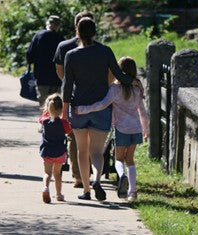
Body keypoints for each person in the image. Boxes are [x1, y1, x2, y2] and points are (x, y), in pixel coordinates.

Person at [62, 17, 133, 201]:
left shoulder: (71, 55)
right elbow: (119, 74)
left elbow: (67, 86)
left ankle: (86, 190)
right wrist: (133, 83)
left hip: (79, 109)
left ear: (77, 32)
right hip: (102, 108)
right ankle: (97, 180)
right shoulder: (105, 51)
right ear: (94, 32)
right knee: (97, 152)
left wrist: (64, 111)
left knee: (82, 151)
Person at [75, 56, 149, 202]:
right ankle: (133, 192)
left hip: (121, 129)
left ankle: (121, 176)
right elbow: (142, 111)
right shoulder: (137, 88)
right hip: (135, 129)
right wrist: (146, 129)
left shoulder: (115, 89)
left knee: (119, 159)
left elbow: (102, 105)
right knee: (131, 160)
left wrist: (84, 109)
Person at [53, 11, 94, 189]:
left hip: (71, 94)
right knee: (92, 136)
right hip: (94, 95)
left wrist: (67, 85)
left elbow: (59, 71)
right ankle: (89, 174)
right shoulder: (98, 47)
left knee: (73, 137)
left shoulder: (63, 46)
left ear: (75, 26)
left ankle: (79, 176)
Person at [26, 15, 64, 112]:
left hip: (42, 76)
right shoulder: (61, 38)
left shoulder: (38, 36)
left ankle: (45, 125)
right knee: (56, 103)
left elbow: (29, 56)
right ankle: (54, 124)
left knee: (44, 102)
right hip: (57, 77)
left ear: (48, 23)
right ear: (58, 26)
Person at [39, 94, 71, 203]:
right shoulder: (63, 123)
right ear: (61, 108)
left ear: (48, 107)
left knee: (47, 173)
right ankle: (58, 195)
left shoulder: (44, 120)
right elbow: (68, 131)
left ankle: (45, 188)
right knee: (57, 174)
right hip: (59, 152)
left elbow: (42, 118)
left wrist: (48, 112)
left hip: (47, 151)